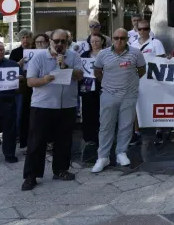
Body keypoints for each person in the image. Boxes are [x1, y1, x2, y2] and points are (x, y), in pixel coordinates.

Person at [22, 29, 83, 190]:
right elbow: (30, 82)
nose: (60, 45)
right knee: (37, 141)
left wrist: (66, 66)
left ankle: (61, 169)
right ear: (50, 41)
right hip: (43, 105)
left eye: (64, 42)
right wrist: (44, 79)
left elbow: (80, 75)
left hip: (67, 105)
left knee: (64, 140)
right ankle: (31, 175)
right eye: (57, 41)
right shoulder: (39, 57)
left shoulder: (74, 56)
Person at [91, 28, 146, 173]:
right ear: (112, 38)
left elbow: (142, 70)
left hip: (129, 94)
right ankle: (103, 157)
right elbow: (97, 71)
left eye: (122, 38)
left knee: (126, 125)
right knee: (106, 126)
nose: (119, 41)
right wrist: (108, 83)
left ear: (127, 39)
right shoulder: (103, 54)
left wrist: (129, 82)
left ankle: (121, 152)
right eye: (116, 38)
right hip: (109, 94)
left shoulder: (136, 53)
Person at [79, 34, 105, 161]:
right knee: (88, 112)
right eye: (92, 41)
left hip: (103, 85)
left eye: (97, 41)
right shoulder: (84, 55)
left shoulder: (106, 53)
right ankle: (89, 138)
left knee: (103, 112)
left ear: (102, 41)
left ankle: (103, 136)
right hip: (88, 86)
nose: (95, 43)